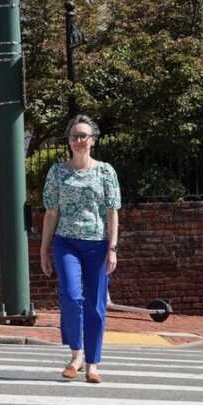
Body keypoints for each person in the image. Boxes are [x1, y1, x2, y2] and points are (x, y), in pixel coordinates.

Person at [39, 115, 121, 384]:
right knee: (72, 297)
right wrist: (43, 249)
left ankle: (93, 364)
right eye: (74, 136)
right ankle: (76, 355)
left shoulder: (105, 172)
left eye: (83, 136)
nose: (78, 141)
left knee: (95, 305)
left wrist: (112, 248)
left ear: (93, 140)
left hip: (97, 245)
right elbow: (51, 212)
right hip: (67, 243)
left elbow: (112, 212)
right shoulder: (57, 172)